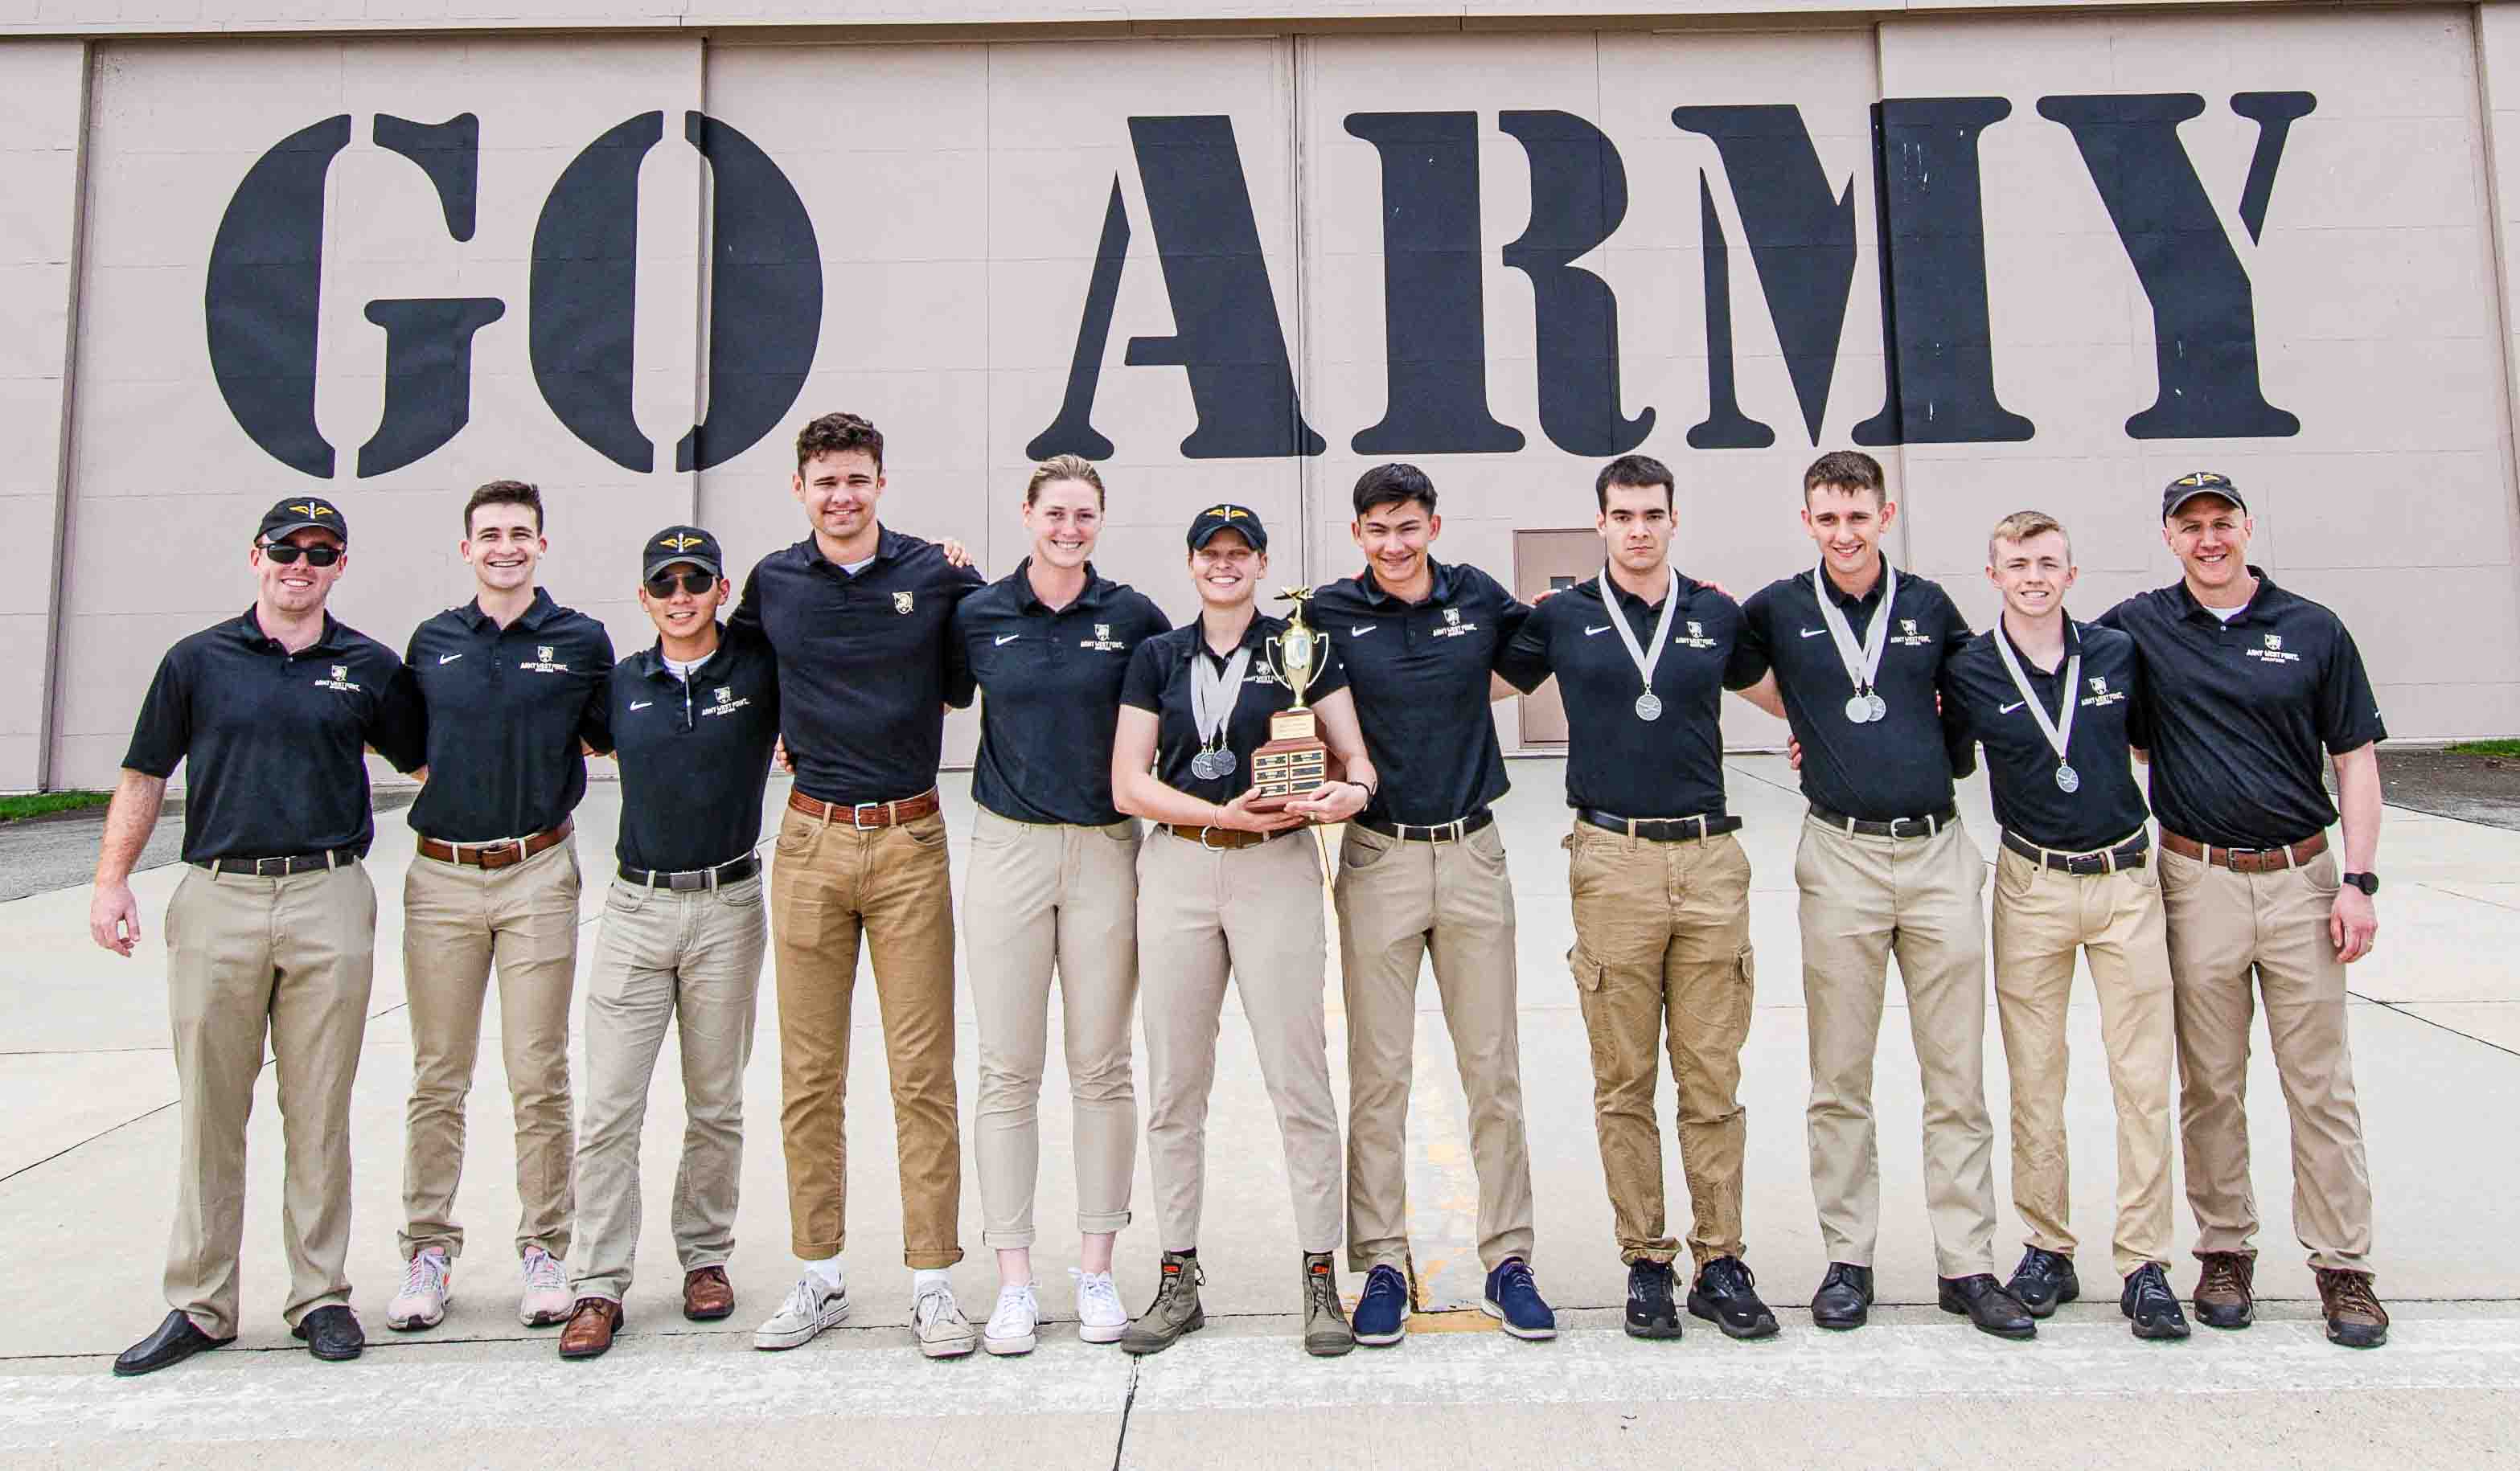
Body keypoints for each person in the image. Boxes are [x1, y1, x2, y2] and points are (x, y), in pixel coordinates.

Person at [92, 496, 425, 1375]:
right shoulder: (197, 661)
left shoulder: (368, 667)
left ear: (341, 566)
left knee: (318, 1110)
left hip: (326, 896)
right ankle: (201, 1303)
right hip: (218, 897)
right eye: (288, 548)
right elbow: (142, 775)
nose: (301, 564)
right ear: (256, 556)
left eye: (321, 552)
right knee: (211, 1108)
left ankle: (319, 1296)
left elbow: (431, 759)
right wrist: (110, 881)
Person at [1734, 449, 2032, 1340]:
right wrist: (1804, 722)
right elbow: (1727, 668)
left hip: (1936, 853)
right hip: (1840, 857)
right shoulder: (1779, 608)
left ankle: (1966, 1263)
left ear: (1884, 514)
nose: (1843, 532)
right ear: (1805, 522)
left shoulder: (1929, 607)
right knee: (1839, 1075)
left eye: (1856, 515)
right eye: (1826, 517)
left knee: (1954, 1075)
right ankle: (1847, 1260)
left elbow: (1966, 704)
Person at [2098, 472, 2391, 1349]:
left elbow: (2355, 762)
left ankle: (2343, 1267)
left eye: (2219, 522)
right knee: (2210, 1085)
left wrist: (2359, 881)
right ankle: (2223, 1251)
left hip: (2303, 878)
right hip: (2195, 881)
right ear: (2167, 537)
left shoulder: (2310, 629)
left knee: (2319, 1086)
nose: (2207, 539)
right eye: (2189, 527)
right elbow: (2050, 675)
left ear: (2245, 527)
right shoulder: (2139, 626)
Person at [1497, 454, 1776, 1342]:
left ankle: (1721, 1259)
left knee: (1711, 1077)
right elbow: (1471, 686)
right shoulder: (1561, 619)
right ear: (1601, 524)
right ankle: (1646, 1262)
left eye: (1652, 513)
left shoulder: (1716, 614)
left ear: (1672, 519)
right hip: (1609, 858)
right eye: (1622, 515)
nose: (1638, 528)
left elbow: (1787, 696)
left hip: (1707, 858)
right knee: (1623, 1079)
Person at [733, 411, 988, 1358]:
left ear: (882, 482)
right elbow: (736, 685)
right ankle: (819, 1275)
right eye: (825, 481)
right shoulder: (772, 584)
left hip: (910, 838)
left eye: (857, 479)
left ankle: (931, 1281)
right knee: (809, 1074)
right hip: (809, 842)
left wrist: (968, 571)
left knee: (921, 1073)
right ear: (799, 489)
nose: (842, 497)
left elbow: (974, 672)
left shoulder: (932, 575)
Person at [1109, 503, 1376, 1358]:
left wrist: (1347, 792)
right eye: (1209, 553)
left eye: (1239, 553)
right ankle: (1177, 1276)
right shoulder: (1156, 656)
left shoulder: (1301, 647)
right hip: (1183, 866)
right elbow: (1127, 784)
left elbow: (1355, 760)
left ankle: (1319, 1279)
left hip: (1276, 871)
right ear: (1190, 564)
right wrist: (1219, 813)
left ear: (1261, 563)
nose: (1224, 566)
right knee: (1174, 1088)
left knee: (1298, 1079)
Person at [1309, 462, 1553, 1347]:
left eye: (1407, 526)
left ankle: (1509, 1258)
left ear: (1433, 527)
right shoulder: (1326, 617)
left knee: (1492, 1072)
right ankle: (1378, 1261)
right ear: (1356, 536)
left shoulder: (1479, 600)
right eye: (1377, 529)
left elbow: (1557, 641)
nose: (1393, 544)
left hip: (1472, 853)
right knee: (1380, 1077)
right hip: (1377, 857)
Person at [1940, 510, 2188, 1341]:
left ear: (2070, 575)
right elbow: (1933, 750)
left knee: (2140, 1077)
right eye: (2017, 562)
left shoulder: (2116, 654)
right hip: (2030, 884)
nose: (2033, 575)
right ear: (1994, 574)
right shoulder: (1970, 667)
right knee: (2035, 1077)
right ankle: (2046, 1244)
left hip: (2122, 880)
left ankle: (2145, 1260)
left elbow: (2159, 747)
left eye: (2048, 562)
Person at [946, 456, 1170, 1355]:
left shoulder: (1131, 619)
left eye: (1083, 515)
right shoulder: (976, 614)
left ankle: (1094, 1266)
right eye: (1054, 513)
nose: (1067, 528)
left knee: (1100, 1065)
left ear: (1099, 522)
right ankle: (1011, 1280)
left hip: (1104, 852)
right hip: (1005, 850)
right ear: (1026, 515)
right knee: (1006, 1067)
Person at [388, 480, 614, 1334]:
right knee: (438, 1073)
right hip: (442, 878)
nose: (505, 547)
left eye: (520, 533)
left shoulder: (579, 640)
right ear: (467, 548)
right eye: (490, 534)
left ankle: (545, 1244)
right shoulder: (434, 642)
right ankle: (428, 1250)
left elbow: (605, 734)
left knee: (538, 1071)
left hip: (537, 872)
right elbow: (413, 749)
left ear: (541, 545)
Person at [555, 527, 782, 1360]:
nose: (680, 597)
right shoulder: (619, 684)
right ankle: (596, 1282)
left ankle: (704, 1258)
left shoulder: (759, 673)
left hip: (728, 905)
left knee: (714, 1101)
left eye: (696, 582)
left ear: (721, 590)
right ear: (645, 599)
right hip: (635, 908)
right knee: (610, 1106)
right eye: (664, 585)